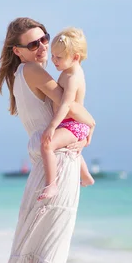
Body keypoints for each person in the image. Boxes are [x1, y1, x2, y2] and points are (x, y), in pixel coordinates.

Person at [0, 17, 94, 263]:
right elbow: (73, 108)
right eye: (33, 44)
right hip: (60, 164)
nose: (42, 47)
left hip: (45, 166)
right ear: (18, 51)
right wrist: (92, 125)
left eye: (44, 39)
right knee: (51, 251)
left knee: (32, 249)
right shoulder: (34, 71)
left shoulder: (21, 76)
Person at [38, 27, 96, 201]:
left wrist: (52, 126)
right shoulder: (69, 71)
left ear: (75, 57)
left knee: (46, 144)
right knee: (71, 150)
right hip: (73, 124)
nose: (54, 60)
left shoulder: (72, 77)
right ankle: (86, 177)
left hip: (74, 125)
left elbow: (66, 104)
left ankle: (51, 185)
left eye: (59, 57)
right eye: (53, 56)